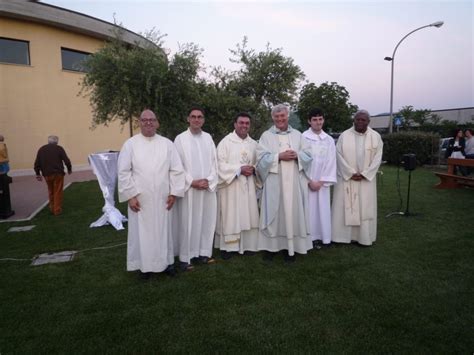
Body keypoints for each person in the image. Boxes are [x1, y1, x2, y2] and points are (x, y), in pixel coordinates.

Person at [117, 109, 185, 279]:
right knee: (143, 234)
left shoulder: (167, 144)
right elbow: (123, 172)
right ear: (139, 122)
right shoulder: (130, 144)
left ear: (157, 123)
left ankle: (167, 263)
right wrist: (131, 196)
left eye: (152, 119)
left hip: (163, 199)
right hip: (141, 200)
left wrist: (174, 193)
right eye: (144, 120)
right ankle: (144, 267)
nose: (148, 122)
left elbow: (177, 170)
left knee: (165, 232)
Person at [256, 104, 313, 262]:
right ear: (273, 118)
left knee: (292, 212)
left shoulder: (298, 135)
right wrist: (278, 157)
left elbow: (308, 154)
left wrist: (297, 155)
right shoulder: (266, 136)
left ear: (287, 116)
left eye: (282, 116)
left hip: (294, 182)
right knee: (274, 213)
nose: (280, 119)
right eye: (277, 117)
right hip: (274, 181)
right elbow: (260, 159)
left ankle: (291, 248)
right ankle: (271, 248)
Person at [174, 107, 218, 270]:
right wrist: (192, 182)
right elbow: (176, 166)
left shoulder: (208, 138)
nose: (196, 120)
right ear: (188, 119)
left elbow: (215, 162)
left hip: (206, 189)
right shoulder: (180, 139)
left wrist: (209, 180)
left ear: (203, 120)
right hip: (190, 190)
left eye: (200, 117)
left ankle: (203, 253)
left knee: (206, 221)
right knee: (188, 223)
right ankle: (186, 258)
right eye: (193, 117)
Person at [331, 110, 383, 246]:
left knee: (364, 208)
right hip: (347, 178)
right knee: (345, 206)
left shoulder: (375, 137)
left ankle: (363, 238)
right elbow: (338, 155)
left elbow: (378, 158)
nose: (360, 122)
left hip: (366, 180)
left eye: (363, 120)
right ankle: (342, 237)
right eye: (357, 119)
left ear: (368, 122)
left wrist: (365, 173)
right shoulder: (344, 135)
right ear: (353, 120)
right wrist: (350, 172)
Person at [215, 112, 260, 259]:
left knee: (249, 214)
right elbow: (219, 164)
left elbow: (259, 163)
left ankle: (248, 245)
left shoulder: (254, 144)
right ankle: (230, 247)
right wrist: (239, 169)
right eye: (241, 123)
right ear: (235, 124)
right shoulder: (226, 142)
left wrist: (253, 168)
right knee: (231, 216)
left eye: (247, 123)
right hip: (231, 188)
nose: (244, 126)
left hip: (248, 187)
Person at [302, 108, 337, 249]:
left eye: (320, 119)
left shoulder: (328, 140)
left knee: (322, 209)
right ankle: (308, 238)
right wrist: (309, 181)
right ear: (309, 121)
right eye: (315, 119)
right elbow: (301, 161)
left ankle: (323, 237)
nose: (318, 122)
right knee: (308, 210)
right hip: (307, 182)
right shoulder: (302, 138)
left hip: (321, 182)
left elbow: (331, 161)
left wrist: (321, 181)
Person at [34, 135, 72, 216]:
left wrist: (37, 174)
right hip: (58, 173)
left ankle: (52, 207)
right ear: (57, 142)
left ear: (48, 141)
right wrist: (69, 169)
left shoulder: (42, 149)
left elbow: (37, 163)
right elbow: (66, 160)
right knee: (58, 191)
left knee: (51, 191)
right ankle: (57, 210)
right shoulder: (59, 148)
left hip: (47, 174)